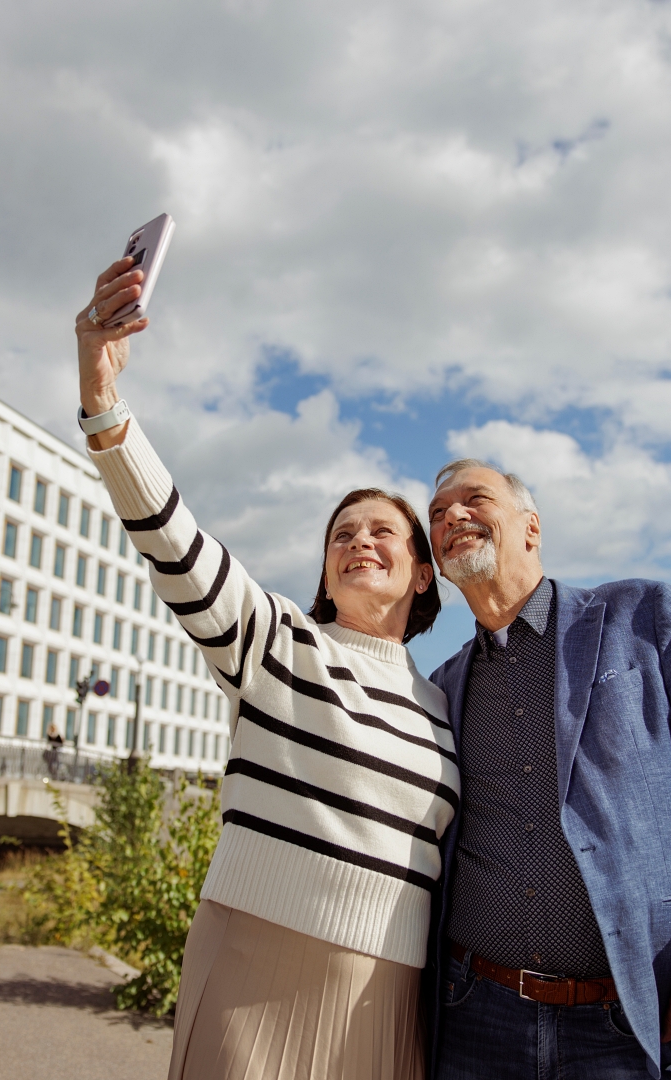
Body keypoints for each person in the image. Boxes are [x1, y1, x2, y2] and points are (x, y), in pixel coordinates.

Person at [76, 256, 456, 1080]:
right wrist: (104, 403)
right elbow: (171, 539)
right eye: (341, 534)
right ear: (322, 573)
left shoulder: (445, 707)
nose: (359, 540)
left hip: (383, 991)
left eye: (382, 532)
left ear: (423, 573)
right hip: (251, 961)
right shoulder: (279, 643)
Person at [421, 459, 671, 1080]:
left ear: (531, 527)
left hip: (626, 1020)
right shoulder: (444, 686)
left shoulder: (643, 617)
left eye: (474, 499)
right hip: (474, 1016)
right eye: (437, 513)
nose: (453, 516)